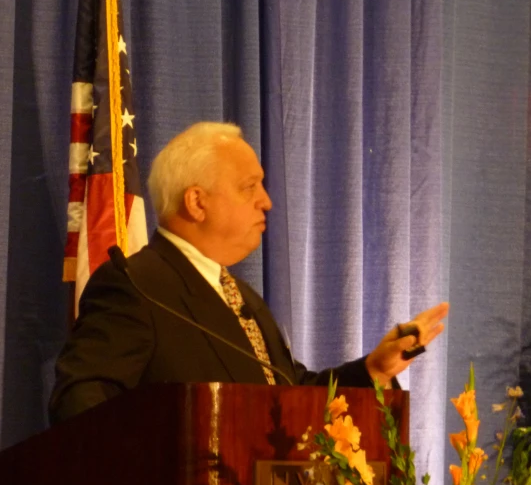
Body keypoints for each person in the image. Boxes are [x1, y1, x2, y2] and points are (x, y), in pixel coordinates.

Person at [49, 122, 448, 423]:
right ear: (197, 202)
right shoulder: (136, 287)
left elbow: (290, 393)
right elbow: (80, 402)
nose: (267, 201)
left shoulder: (241, 296)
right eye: (250, 186)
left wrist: (374, 371)